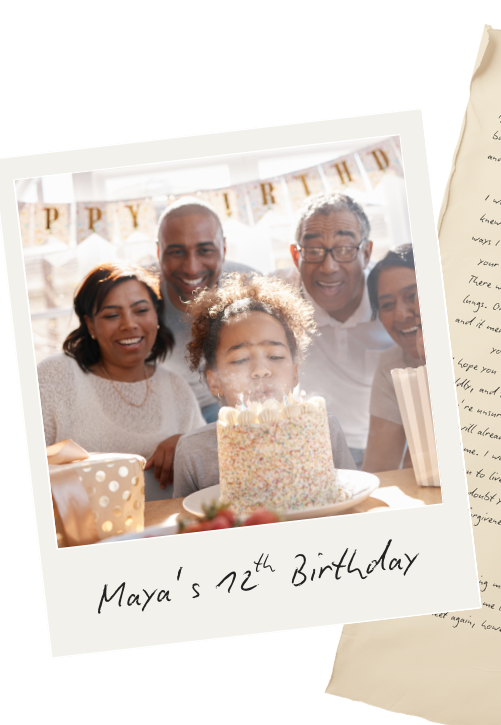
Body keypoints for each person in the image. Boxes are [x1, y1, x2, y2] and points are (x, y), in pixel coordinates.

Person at [173, 274, 355, 500]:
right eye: (240, 359)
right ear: (214, 381)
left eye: (275, 356)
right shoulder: (194, 452)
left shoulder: (324, 429)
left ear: (295, 372)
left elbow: (349, 500)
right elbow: (187, 527)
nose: (261, 370)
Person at [37, 263, 205, 500]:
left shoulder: (176, 387)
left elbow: (205, 474)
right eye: (112, 315)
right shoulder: (54, 375)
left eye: (141, 310)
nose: (129, 324)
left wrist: (186, 444)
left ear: (156, 315)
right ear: (91, 325)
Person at [288, 193, 393, 468]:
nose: (329, 266)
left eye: (344, 249)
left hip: (389, 447)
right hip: (313, 453)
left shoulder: (392, 301)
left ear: (367, 252)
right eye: (313, 251)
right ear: (295, 255)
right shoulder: (280, 302)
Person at [154, 196, 256, 423]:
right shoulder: (141, 293)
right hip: (163, 414)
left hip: (235, 410)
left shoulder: (252, 289)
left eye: (205, 250)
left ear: (224, 248)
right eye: (177, 252)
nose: (192, 267)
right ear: (159, 253)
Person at [362, 245, 427, 473]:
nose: (401, 315)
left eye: (412, 296)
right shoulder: (392, 365)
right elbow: (379, 470)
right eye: (387, 305)